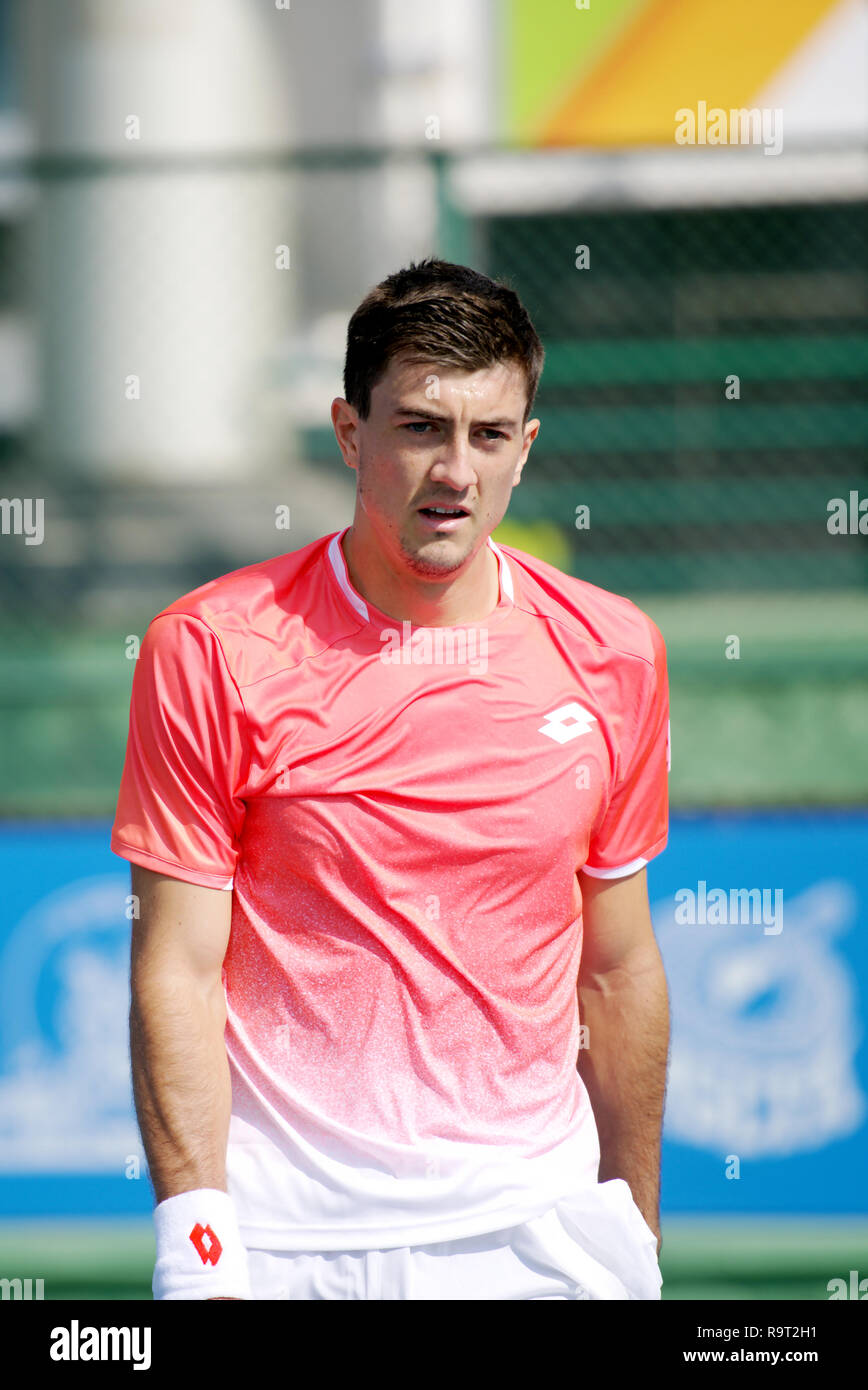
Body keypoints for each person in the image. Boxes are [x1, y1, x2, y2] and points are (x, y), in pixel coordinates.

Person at [112, 257, 670, 1301]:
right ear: (349, 433)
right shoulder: (208, 649)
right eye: (420, 427)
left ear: (524, 450)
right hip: (282, 1247)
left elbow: (617, 967)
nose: (455, 470)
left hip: (538, 1231)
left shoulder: (615, 652)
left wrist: (630, 1230)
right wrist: (199, 1253)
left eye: (488, 434)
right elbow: (175, 971)